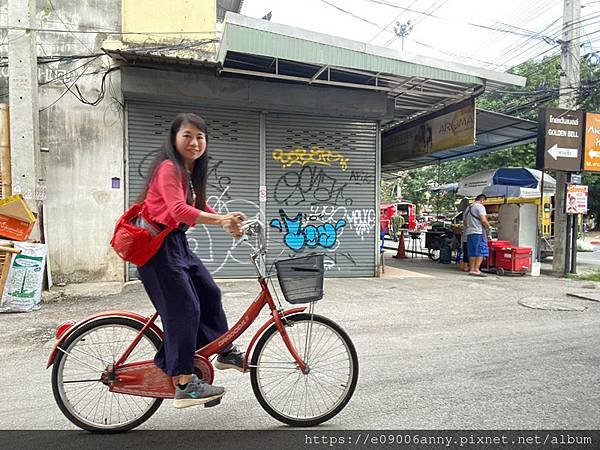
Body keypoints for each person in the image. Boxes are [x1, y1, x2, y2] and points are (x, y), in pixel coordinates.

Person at [136, 112, 246, 409]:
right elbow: (178, 210)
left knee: (209, 292)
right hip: (156, 250)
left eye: (200, 137)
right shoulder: (168, 168)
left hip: (175, 244)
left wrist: (228, 219)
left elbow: (196, 206)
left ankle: (222, 349)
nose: (194, 142)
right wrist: (220, 221)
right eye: (187, 135)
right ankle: (185, 384)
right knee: (184, 309)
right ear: (174, 138)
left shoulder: (189, 171)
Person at [463, 194, 489, 277]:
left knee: (472, 252)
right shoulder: (480, 207)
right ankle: (477, 269)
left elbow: (465, 222)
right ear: (482, 200)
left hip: (469, 232)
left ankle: (472, 269)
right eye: (484, 202)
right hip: (478, 232)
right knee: (480, 251)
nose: (484, 204)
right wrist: (488, 227)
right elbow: (484, 220)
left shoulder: (468, 208)